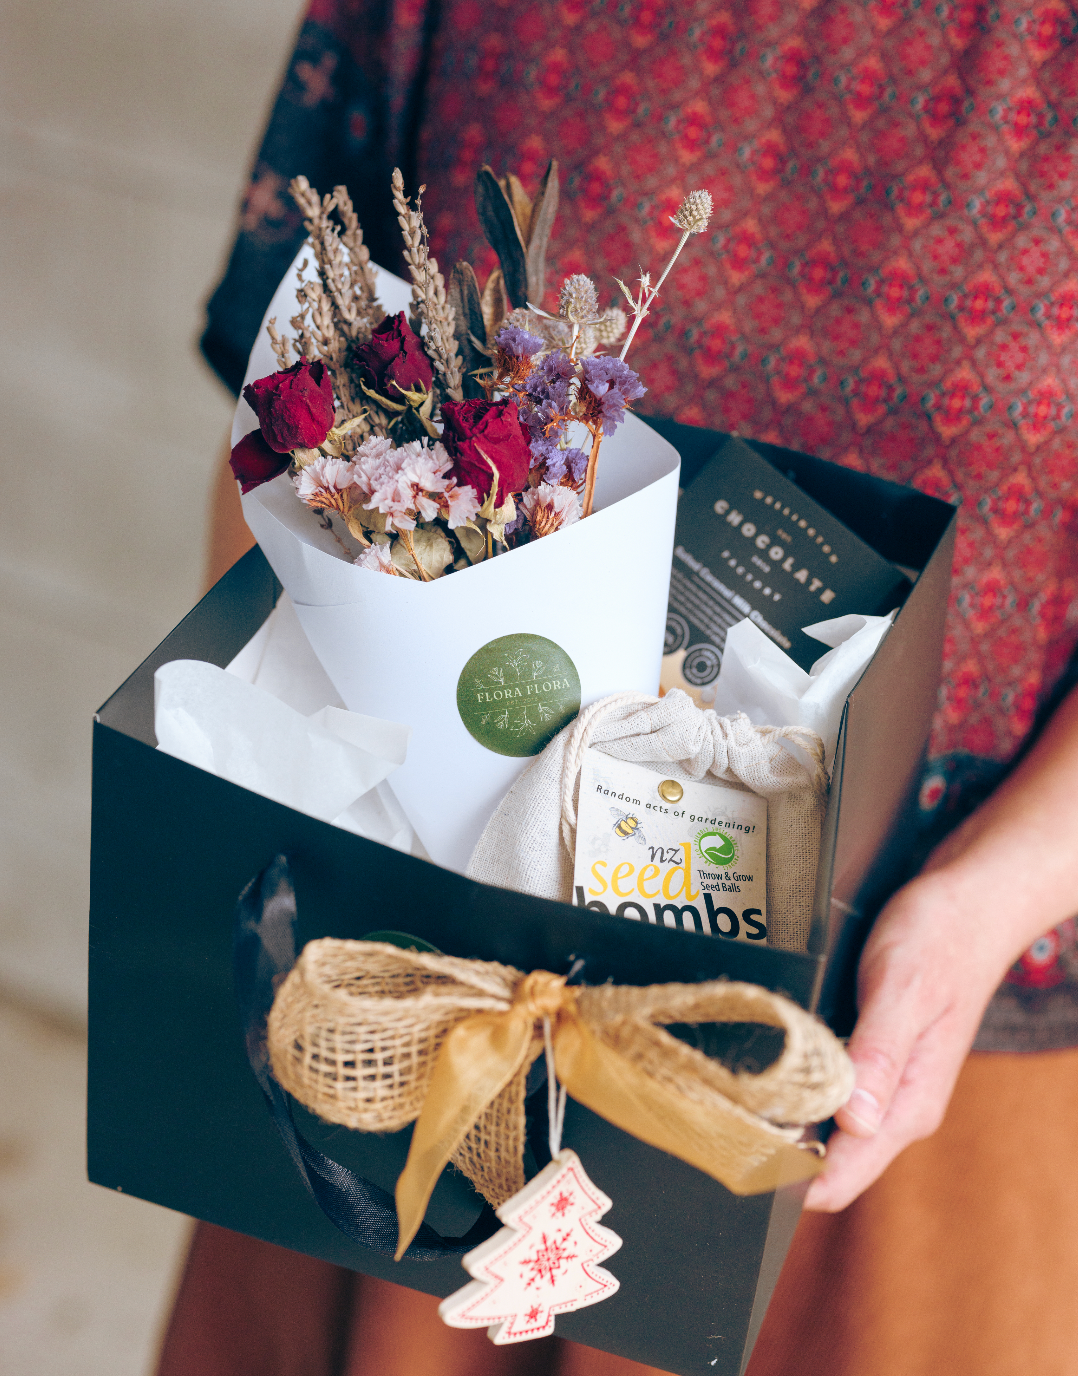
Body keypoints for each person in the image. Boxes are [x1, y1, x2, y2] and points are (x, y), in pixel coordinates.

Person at [160, 2, 1078, 1371]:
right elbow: (288, 417)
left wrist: (987, 902)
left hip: (903, 1039)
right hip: (424, 981)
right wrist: (262, 823)